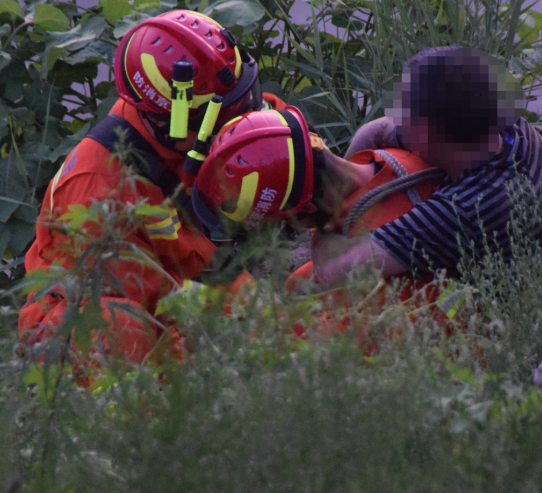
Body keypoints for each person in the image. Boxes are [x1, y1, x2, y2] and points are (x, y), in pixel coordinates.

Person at [18, 9, 285, 365]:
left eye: (244, 102)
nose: (239, 125)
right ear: (170, 121)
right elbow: (155, 304)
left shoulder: (208, 108)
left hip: (181, 280)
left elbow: (279, 132)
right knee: (126, 331)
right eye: (225, 118)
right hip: (97, 319)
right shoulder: (98, 192)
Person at [310, 46, 542, 286]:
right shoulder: (501, 123)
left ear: (426, 134)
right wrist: (348, 182)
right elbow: (379, 130)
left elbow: (331, 270)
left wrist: (323, 211)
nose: (394, 112)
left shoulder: (467, 207)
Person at [190, 105, 458, 339]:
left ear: (302, 213)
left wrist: (232, 291)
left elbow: (298, 352)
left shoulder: (363, 275)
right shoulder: (396, 156)